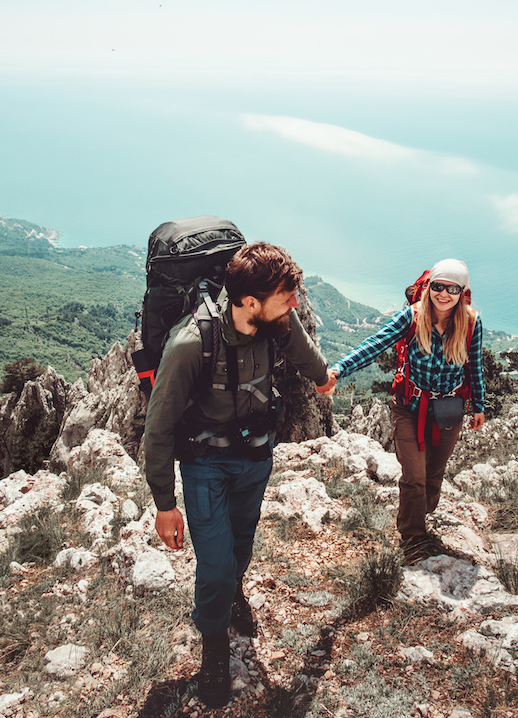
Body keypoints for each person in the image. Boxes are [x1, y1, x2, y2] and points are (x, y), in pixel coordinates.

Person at [142, 241, 335, 709]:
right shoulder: (191, 344)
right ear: (250, 301)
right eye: (286, 296)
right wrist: (165, 506)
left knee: (241, 543)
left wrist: (321, 376)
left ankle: (233, 593)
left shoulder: (275, 321)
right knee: (214, 563)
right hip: (205, 465)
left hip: (255, 456)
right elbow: (158, 428)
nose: (295, 304)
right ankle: (213, 647)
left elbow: (301, 346)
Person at [325, 259, 485, 563]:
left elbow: (475, 366)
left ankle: (420, 513)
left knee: (433, 475)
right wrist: (339, 369)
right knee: (414, 476)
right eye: (438, 286)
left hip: (448, 411)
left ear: (462, 293)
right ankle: (413, 539)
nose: (443, 294)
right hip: (409, 407)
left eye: (452, 289)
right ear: (429, 287)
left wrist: (479, 406)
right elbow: (375, 344)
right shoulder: (412, 317)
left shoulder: (471, 323)